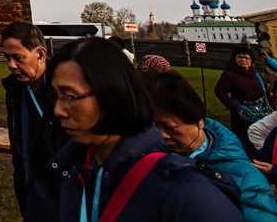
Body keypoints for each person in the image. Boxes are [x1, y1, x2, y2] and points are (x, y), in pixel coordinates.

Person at [25, 37, 244, 222]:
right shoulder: (66, 175)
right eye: (56, 97)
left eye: (71, 96)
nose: (59, 111)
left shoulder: (184, 192)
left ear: (111, 93)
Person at [146, 70, 277, 222]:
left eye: (170, 127)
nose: (162, 135)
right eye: (154, 126)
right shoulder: (148, 162)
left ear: (199, 121)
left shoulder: (242, 176)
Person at [1, 21, 66, 216]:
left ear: (40, 54)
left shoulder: (65, 90)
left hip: (65, 192)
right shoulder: (15, 90)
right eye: (7, 58)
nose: (11, 65)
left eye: (18, 58)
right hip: (33, 192)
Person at [215, 47, 274, 154]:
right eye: (240, 57)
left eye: (246, 57)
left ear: (251, 60)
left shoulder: (257, 74)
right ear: (234, 59)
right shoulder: (229, 75)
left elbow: (266, 92)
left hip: (262, 112)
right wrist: (235, 107)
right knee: (245, 141)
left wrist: (272, 107)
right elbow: (220, 91)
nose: (243, 60)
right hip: (242, 115)